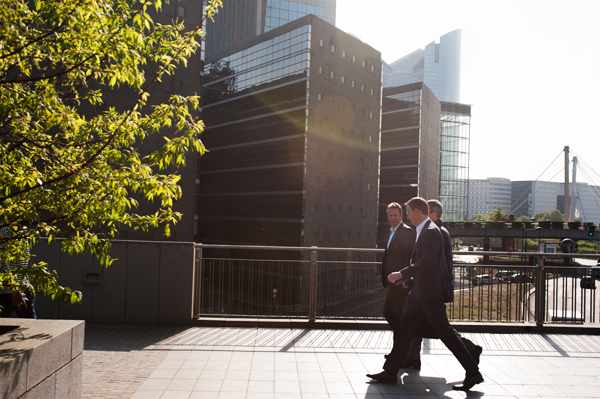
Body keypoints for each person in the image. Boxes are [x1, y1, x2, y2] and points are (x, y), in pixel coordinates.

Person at [367, 197, 483, 391]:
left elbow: (428, 262)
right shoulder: (426, 230)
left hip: (429, 294)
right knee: (405, 329)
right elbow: (427, 265)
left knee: (445, 333)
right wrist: (410, 281)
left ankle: (473, 373)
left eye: (410, 213)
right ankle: (389, 372)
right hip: (419, 292)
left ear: (418, 212)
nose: (409, 217)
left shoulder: (430, 232)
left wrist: (401, 273)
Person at [403, 200, 482, 369]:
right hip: (426, 289)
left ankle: (470, 353)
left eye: (427, 212)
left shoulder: (434, 231)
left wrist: (406, 276)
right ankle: (405, 359)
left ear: (433, 214)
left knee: (438, 329)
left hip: (430, 290)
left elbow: (435, 264)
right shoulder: (433, 230)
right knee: (417, 326)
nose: (409, 217)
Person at [380, 203, 418, 361]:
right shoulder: (392, 232)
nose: (392, 218)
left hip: (401, 283)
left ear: (401, 216)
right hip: (395, 281)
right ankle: (401, 354)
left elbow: (410, 257)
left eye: (395, 215)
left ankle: (407, 339)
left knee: (389, 312)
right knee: (400, 315)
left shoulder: (406, 232)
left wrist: (406, 279)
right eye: (390, 215)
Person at [0, 226, 36, 319]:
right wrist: (15, 290)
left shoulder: (26, 231)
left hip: (24, 288)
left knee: (30, 326)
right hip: (6, 291)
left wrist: (26, 283)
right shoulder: (6, 233)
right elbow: (4, 265)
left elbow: (23, 262)